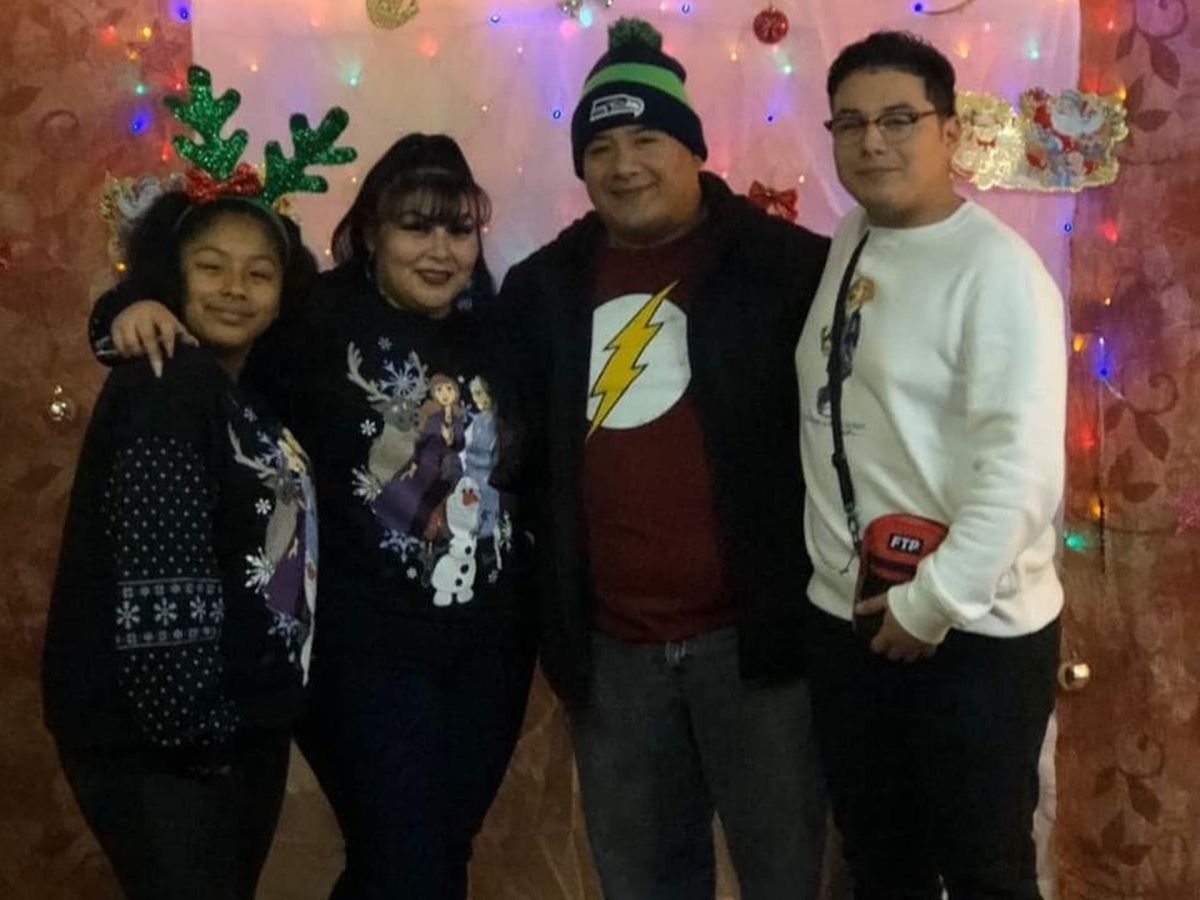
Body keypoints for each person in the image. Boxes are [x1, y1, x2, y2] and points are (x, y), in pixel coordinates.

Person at [88, 134, 536, 900]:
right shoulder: (312, 319)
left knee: (433, 856)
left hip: (485, 660)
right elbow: (219, 314)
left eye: (459, 229)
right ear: (371, 233)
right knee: (408, 865)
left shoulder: (499, 331)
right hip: (359, 659)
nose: (440, 249)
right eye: (415, 226)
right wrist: (132, 305)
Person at [498, 17, 831, 900]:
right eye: (600, 147)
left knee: (788, 878)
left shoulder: (790, 269)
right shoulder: (541, 291)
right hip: (613, 659)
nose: (624, 165)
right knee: (643, 884)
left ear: (693, 148)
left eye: (647, 138)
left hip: (761, 649)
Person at [796, 31, 1065, 900]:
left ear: (950, 132)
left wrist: (931, 604)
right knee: (880, 864)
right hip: (852, 620)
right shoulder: (851, 236)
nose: (872, 142)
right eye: (850, 123)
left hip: (970, 632)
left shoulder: (999, 273)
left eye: (898, 119)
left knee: (985, 871)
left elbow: (1022, 475)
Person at [42, 188, 320, 900]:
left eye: (259, 273)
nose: (235, 289)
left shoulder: (243, 394)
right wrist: (199, 733)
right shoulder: (167, 386)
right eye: (211, 267)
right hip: (171, 748)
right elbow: (158, 572)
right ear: (173, 276)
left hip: (232, 732)